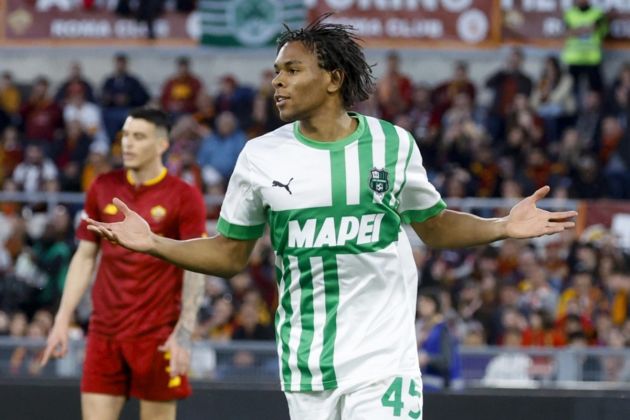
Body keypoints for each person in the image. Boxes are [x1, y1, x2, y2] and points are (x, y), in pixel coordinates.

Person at [86, 18, 577, 420]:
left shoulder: (392, 143)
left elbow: (433, 223)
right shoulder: (260, 157)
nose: (276, 81)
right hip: (306, 363)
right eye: (275, 71)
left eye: (291, 70)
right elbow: (228, 253)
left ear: (333, 78)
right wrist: (155, 244)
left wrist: (501, 228)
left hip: (385, 360)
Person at [40, 108, 207, 420]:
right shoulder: (102, 186)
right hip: (104, 332)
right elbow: (85, 255)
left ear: (162, 144)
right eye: (125, 136)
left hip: (158, 334)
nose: (127, 144)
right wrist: (62, 318)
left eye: (139, 137)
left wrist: (184, 332)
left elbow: (194, 266)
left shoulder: (184, 196)